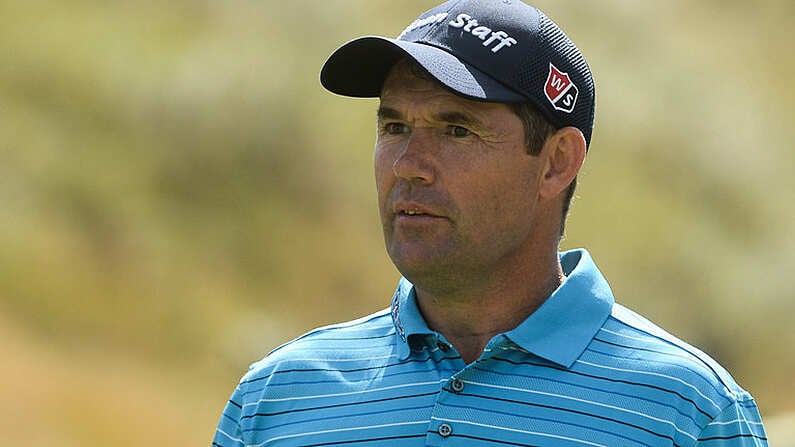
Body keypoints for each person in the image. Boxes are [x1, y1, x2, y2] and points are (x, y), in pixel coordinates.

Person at [212, 1, 768, 445]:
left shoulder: (689, 411)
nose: (408, 167)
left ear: (556, 163)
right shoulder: (277, 398)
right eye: (395, 127)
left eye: (456, 130)